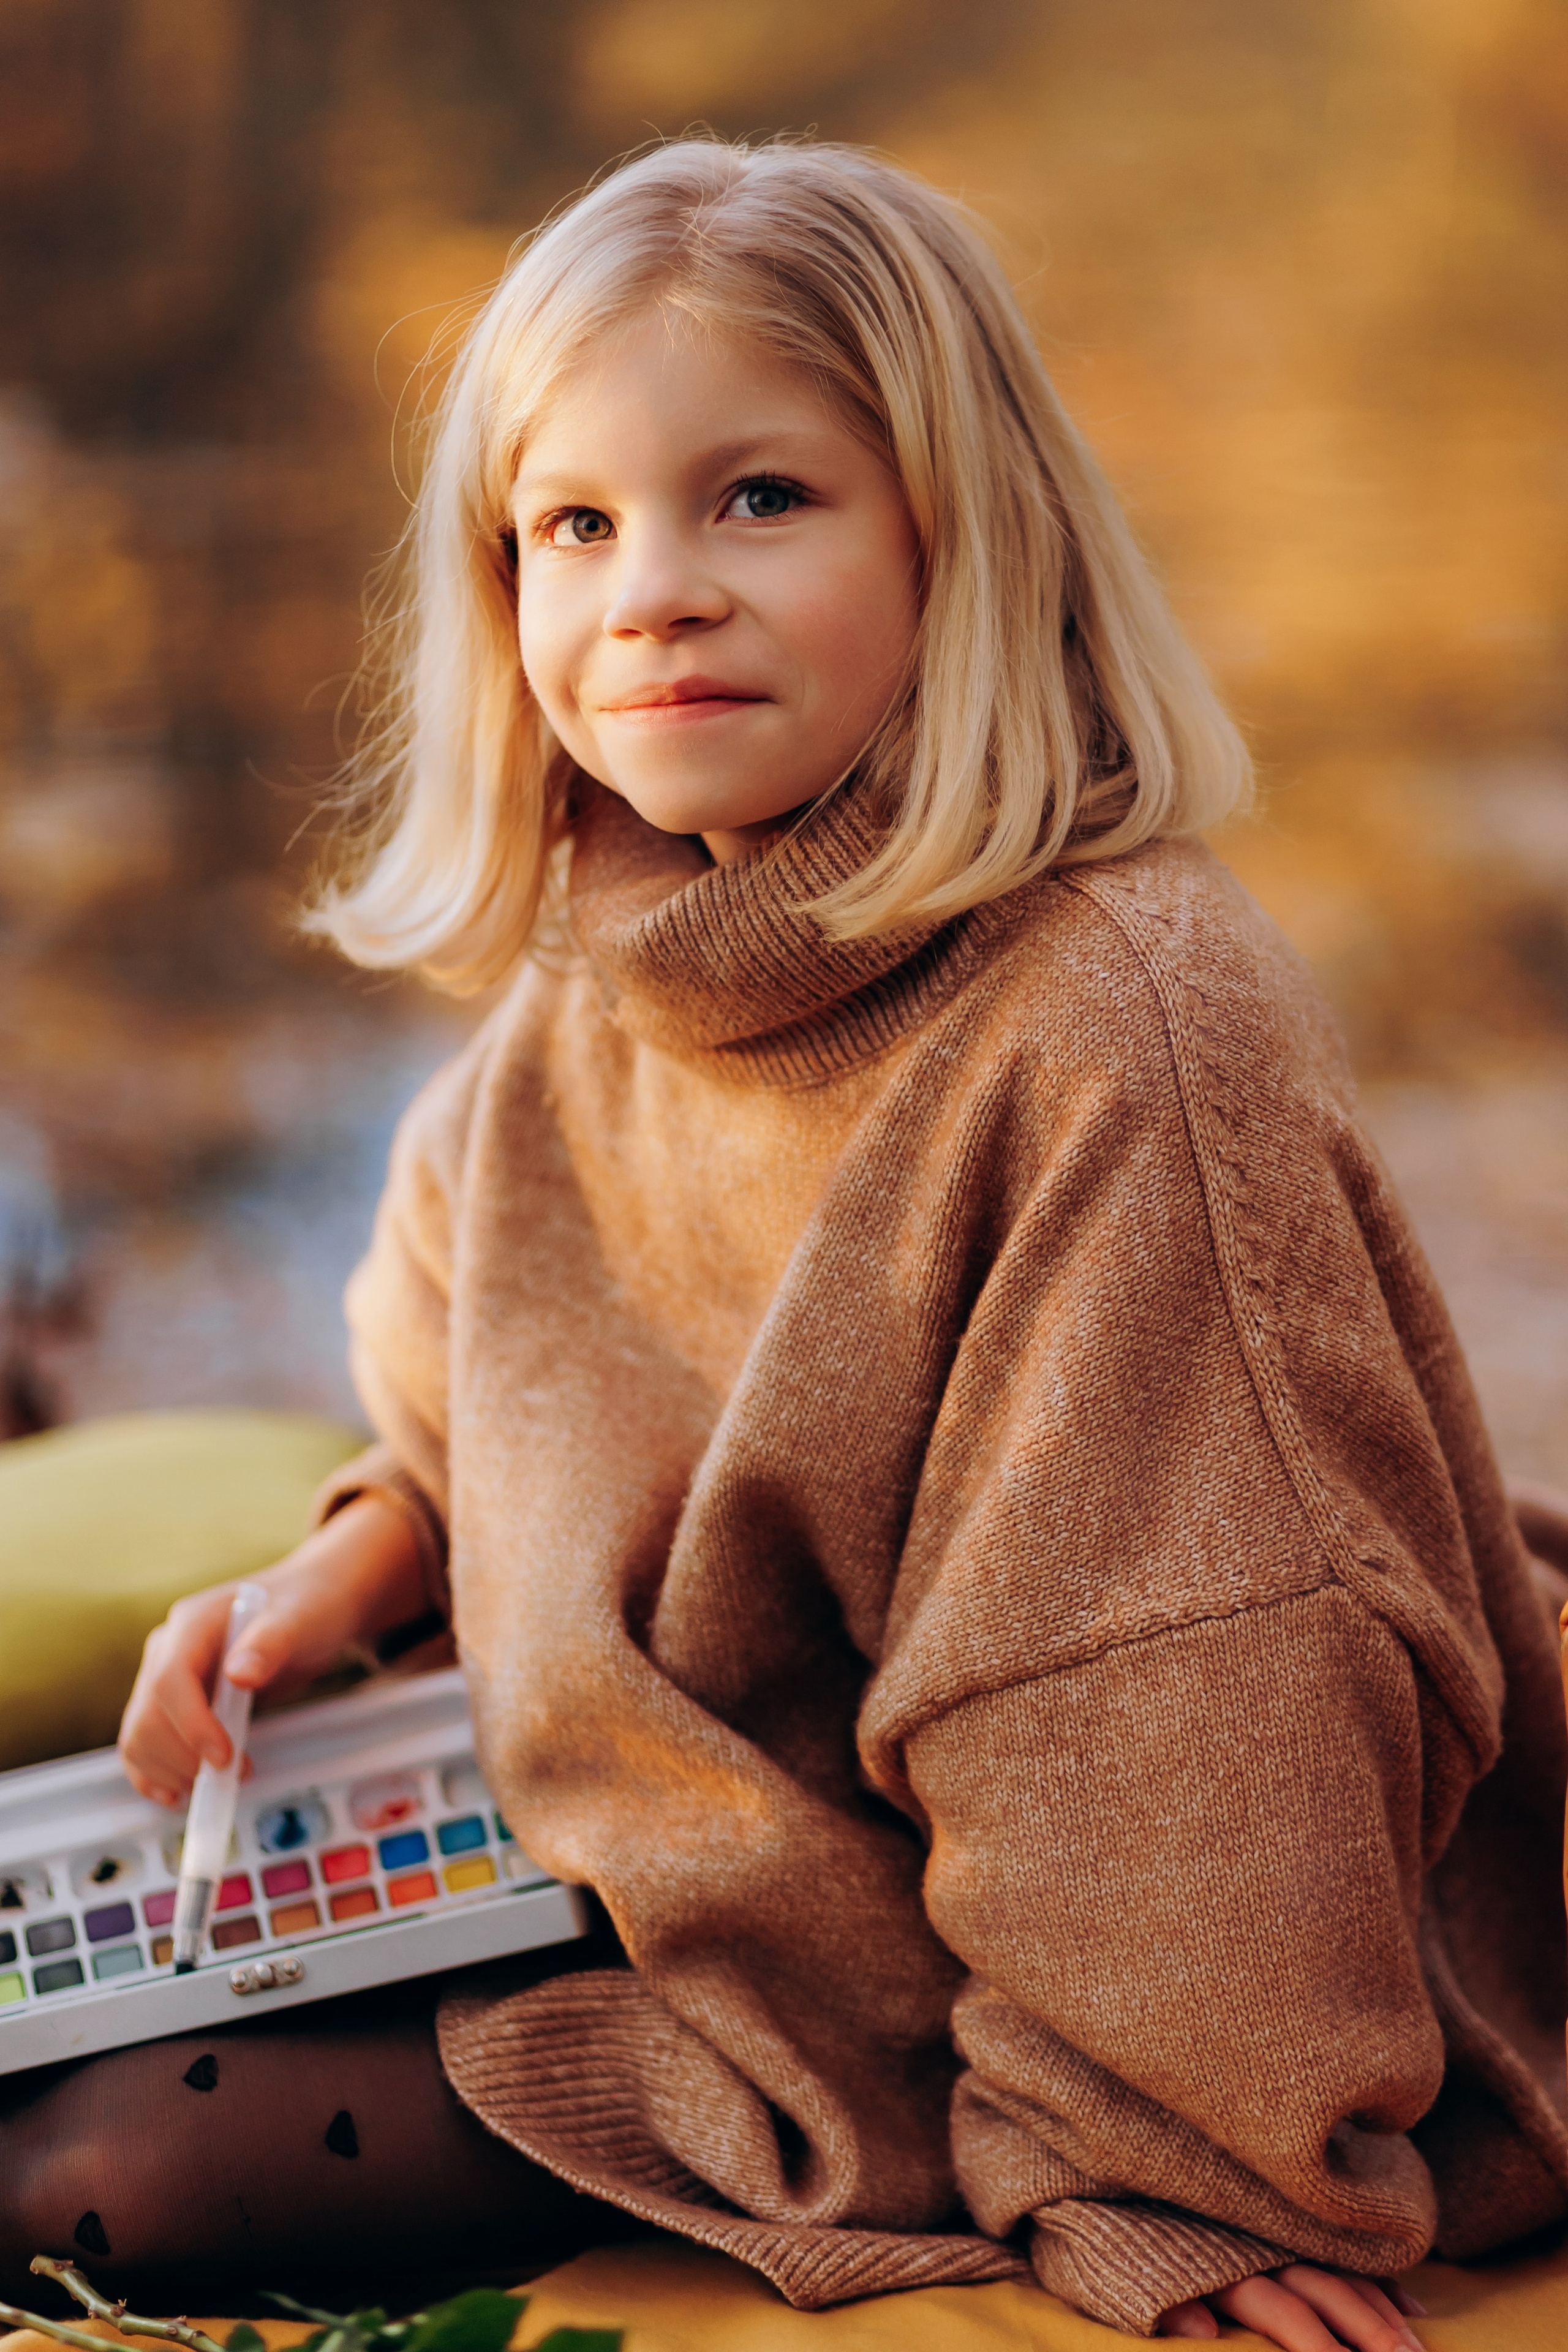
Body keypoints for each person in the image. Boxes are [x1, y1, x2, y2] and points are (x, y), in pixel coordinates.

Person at [10, 138, 1566, 2348]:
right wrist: (363, 1559)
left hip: (988, 1969)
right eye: (576, 525)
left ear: (967, 539)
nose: (651, 591)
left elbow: (1181, 1664)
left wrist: (1181, 2177)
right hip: (674, 1839)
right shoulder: (614, 964)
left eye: (761, 497)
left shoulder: (1112, 1023)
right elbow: (510, 1387)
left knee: (104, 2170)